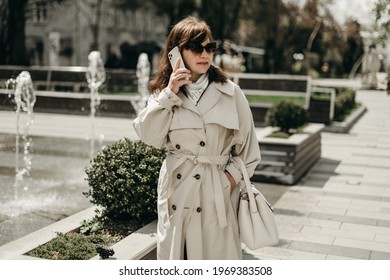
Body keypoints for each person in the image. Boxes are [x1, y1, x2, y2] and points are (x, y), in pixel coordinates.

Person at [132, 16, 261, 260]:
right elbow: (148, 136)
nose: (205, 54)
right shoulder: (165, 94)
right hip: (177, 191)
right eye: (196, 48)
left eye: (209, 47)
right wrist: (170, 93)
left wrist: (226, 183)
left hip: (216, 194)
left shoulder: (231, 94)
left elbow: (250, 152)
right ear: (176, 53)